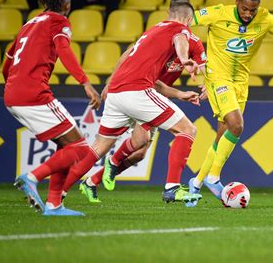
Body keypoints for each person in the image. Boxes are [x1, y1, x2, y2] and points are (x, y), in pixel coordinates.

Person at [58, 0, 203, 205]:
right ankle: (172, 188)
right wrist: (183, 59)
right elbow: (181, 41)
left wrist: (109, 83)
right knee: (187, 130)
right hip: (138, 92)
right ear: (188, 20)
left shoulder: (150, 32)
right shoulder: (181, 31)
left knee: (99, 147)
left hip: (117, 93)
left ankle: (58, 195)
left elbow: (127, 58)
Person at [187, 0, 273, 206]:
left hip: (241, 84)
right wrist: (192, 55)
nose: (248, 14)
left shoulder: (264, 18)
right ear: (237, 2)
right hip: (218, 79)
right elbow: (186, 21)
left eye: (252, 11)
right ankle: (214, 177)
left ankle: (195, 183)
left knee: (223, 134)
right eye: (244, 9)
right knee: (237, 125)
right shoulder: (218, 13)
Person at [5, 0, 101, 216]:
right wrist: (85, 82)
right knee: (80, 148)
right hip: (33, 93)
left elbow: (8, 63)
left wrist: (15, 84)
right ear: (67, 4)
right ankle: (32, 177)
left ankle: (54, 205)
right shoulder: (59, 21)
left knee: (64, 144)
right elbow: (63, 50)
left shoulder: (28, 24)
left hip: (12, 94)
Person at [79, 32, 208, 204]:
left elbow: (204, 64)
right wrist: (111, 82)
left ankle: (92, 181)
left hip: (155, 97)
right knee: (146, 138)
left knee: (139, 153)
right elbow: (129, 55)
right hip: (140, 93)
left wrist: (208, 84)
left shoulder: (190, 44)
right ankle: (109, 165)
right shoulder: (160, 40)